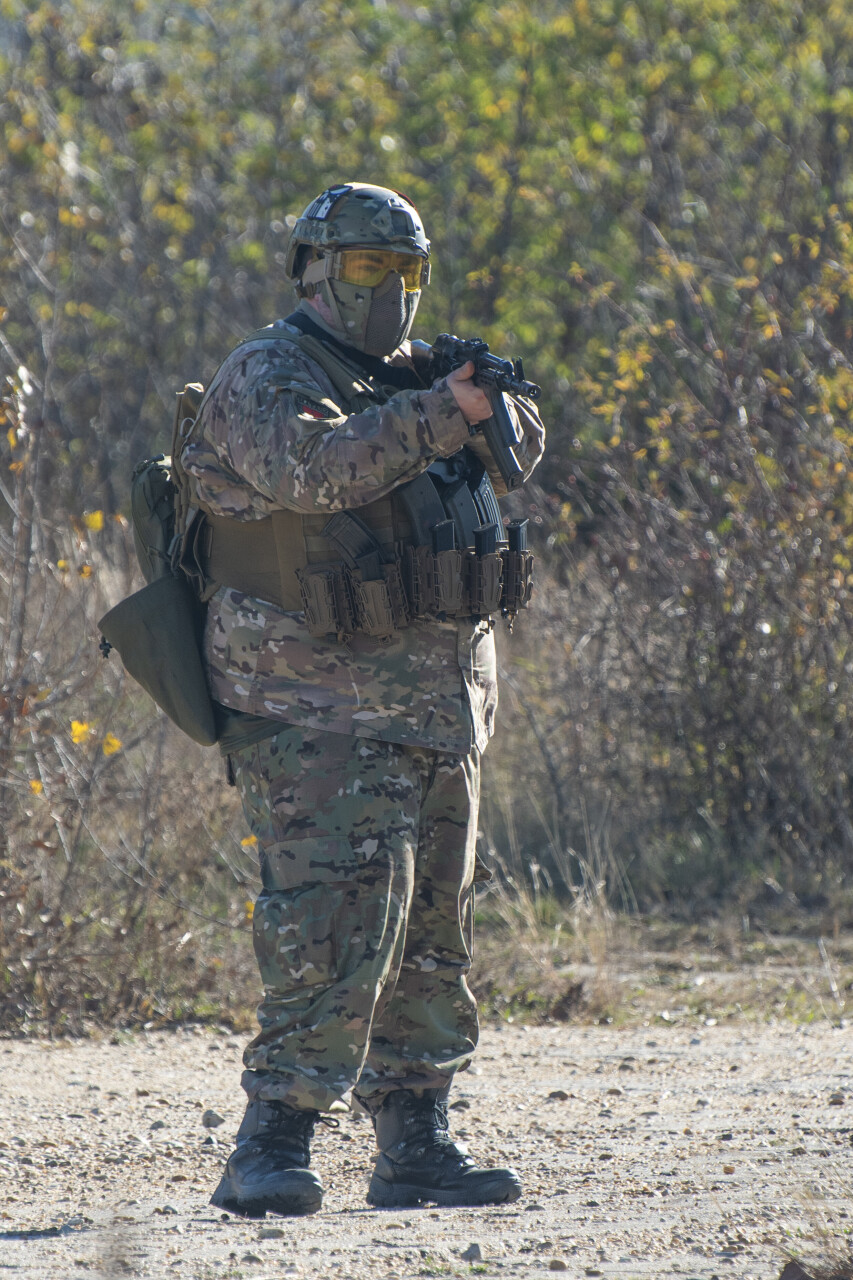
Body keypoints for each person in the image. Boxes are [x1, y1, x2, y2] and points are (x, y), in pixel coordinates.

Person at [178, 182, 546, 1217]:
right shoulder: (269, 371)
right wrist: (439, 412)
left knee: (432, 931)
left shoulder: (413, 375)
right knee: (331, 923)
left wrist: (485, 399)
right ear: (315, 271)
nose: (389, 290)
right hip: (311, 707)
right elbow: (312, 469)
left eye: (406, 271)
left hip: (436, 706)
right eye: (367, 268)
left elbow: (520, 455)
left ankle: (416, 1140)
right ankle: (271, 1142)